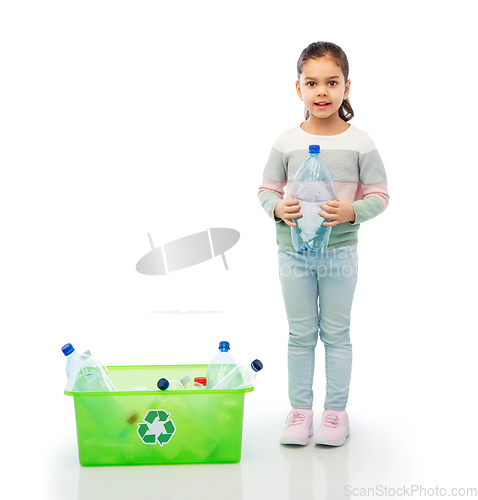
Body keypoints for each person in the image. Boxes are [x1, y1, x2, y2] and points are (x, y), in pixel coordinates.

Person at [257, 41, 389, 446]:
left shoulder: (361, 142)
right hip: (293, 255)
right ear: (298, 89)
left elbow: (380, 195)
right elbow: (265, 189)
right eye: (311, 83)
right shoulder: (286, 142)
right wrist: (279, 208)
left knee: (335, 333)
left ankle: (335, 414)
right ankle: (299, 412)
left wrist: (351, 212)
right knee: (300, 335)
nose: (321, 92)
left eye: (331, 83)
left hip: (340, 255)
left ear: (346, 87)